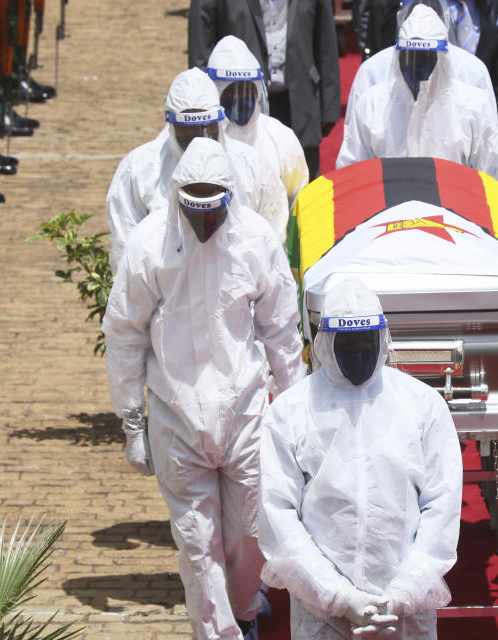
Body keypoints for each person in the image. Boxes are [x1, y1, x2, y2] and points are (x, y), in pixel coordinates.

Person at [102, 137, 306, 640]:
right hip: (175, 416)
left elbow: (281, 329)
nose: (204, 227)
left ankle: (242, 608)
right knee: (197, 543)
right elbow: (124, 333)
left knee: (249, 535)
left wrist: (299, 407)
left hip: (246, 412)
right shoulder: (149, 245)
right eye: (195, 215)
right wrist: (132, 421)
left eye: (212, 215)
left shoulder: (256, 241)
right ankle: (219, 634)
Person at [258, 278, 463, 639]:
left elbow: (441, 509)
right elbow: (278, 517)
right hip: (320, 614)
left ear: (382, 339)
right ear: (325, 341)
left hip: (405, 614)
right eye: (346, 342)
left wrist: (404, 592)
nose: (357, 353)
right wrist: (337, 596)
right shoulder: (291, 411)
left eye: (365, 341)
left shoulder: (422, 405)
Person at [105, 67, 287, 271]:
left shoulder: (251, 166)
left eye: (206, 128)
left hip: (235, 291)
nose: (197, 139)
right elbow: (125, 244)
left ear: (220, 121)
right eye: (188, 129)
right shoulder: (139, 169)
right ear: (171, 125)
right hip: (166, 295)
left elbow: (273, 234)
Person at [337, 4, 498, 184]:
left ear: (443, 58)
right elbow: (351, 172)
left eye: (425, 56)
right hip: (389, 207)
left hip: (454, 206)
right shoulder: (372, 104)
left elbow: (492, 176)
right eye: (409, 56)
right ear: (397, 56)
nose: (415, 65)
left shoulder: (473, 105)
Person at [187, 0, 341, 180]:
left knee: (303, 187)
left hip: (299, 102)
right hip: (239, 107)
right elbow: (201, 49)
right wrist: (203, 105)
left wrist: (329, 105)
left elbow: (325, 40)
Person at [206, 35, 310, 212]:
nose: (240, 100)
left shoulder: (281, 138)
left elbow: (300, 200)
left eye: (246, 91)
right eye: (231, 93)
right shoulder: (203, 138)